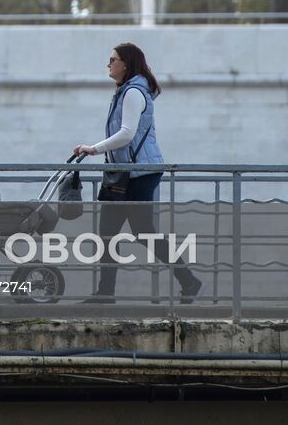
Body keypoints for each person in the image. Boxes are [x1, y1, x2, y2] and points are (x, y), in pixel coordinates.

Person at [72, 42, 202, 304]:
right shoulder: (124, 92)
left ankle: (189, 280)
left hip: (139, 172)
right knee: (107, 232)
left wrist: (93, 149)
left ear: (126, 64)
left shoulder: (133, 92)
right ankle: (106, 293)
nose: (108, 64)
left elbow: (127, 134)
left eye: (112, 59)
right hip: (123, 173)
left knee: (142, 231)